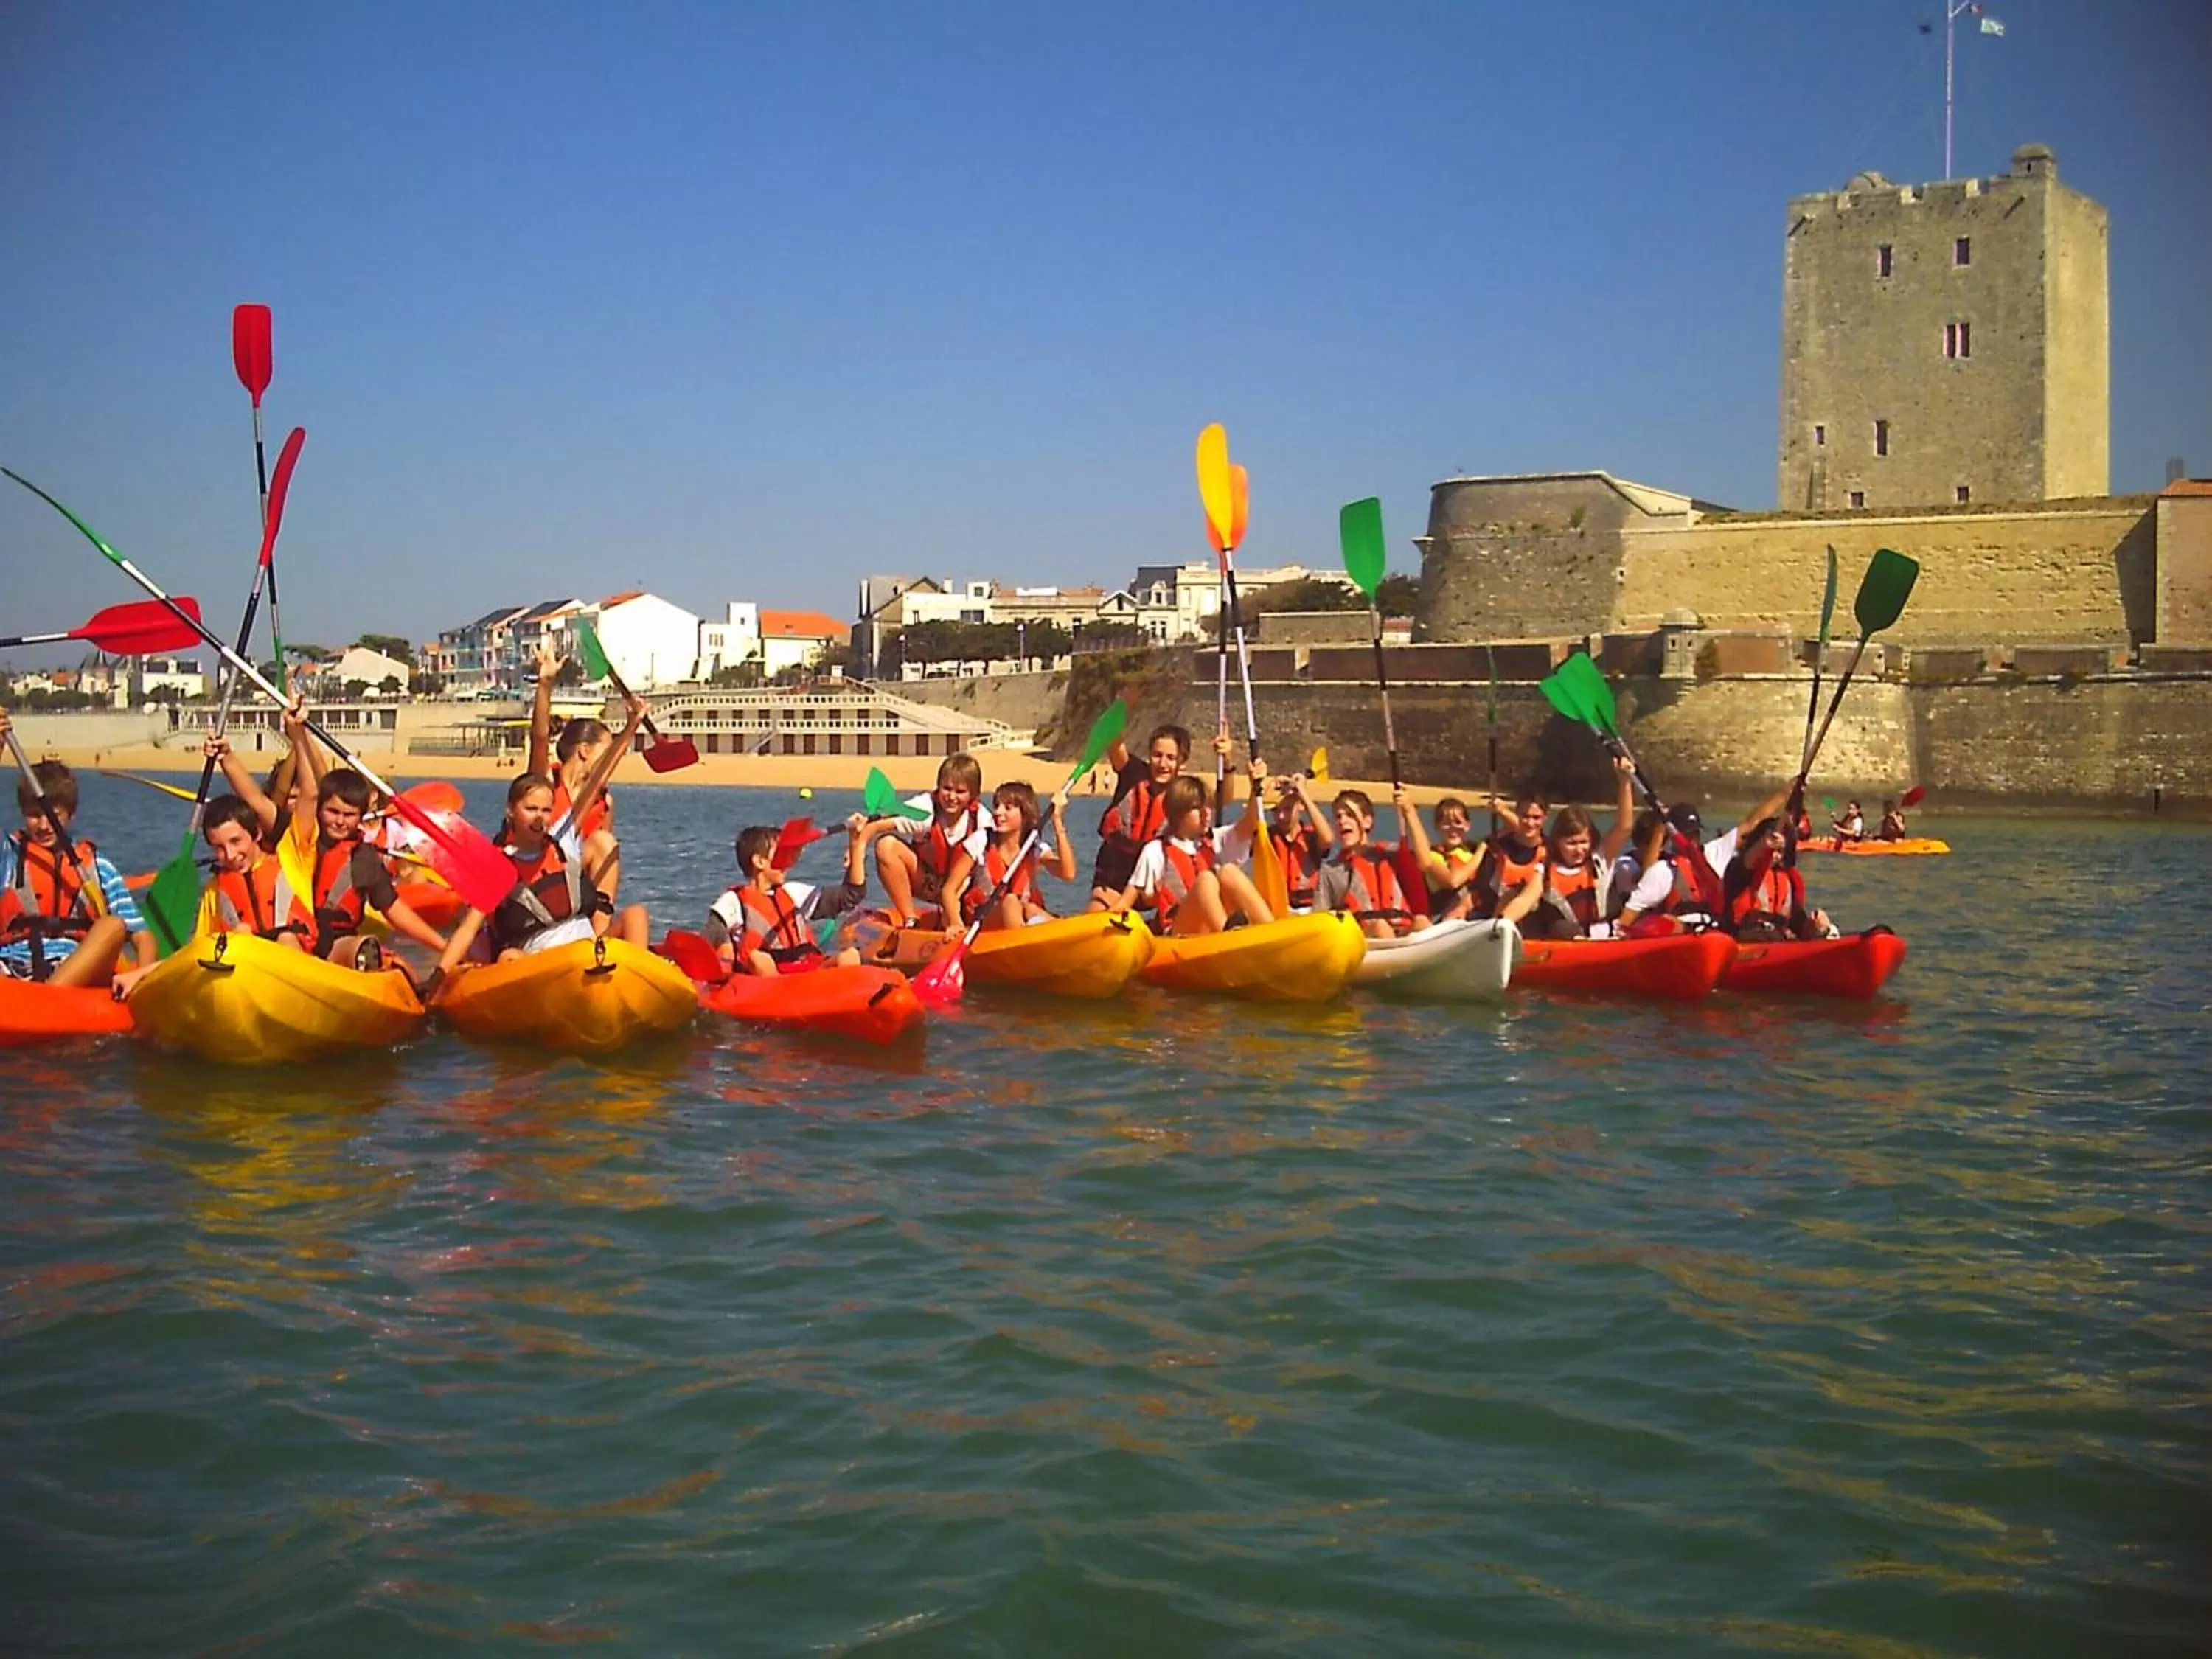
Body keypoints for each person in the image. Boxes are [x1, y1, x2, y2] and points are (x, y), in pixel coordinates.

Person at [429, 701, 649, 980]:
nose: (540, 818)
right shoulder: (501, 864)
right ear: (512, 811)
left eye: (546, 810)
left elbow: (600, 776)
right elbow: (467, 929)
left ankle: (640, 982)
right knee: (509, 957)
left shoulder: (563, 837)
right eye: (531, 810)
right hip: (543, 964)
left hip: (587, 946)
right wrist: (439, 974)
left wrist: (632, 725)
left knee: (636, 914)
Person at [0, 719, 156, 990]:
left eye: (53, 816)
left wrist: (140, 981)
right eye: (34, 816)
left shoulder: (98, 866)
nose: (44, 825)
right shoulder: (9, 854)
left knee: (112, 925)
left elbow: (142, 936)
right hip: (10, 969)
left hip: (73, 975)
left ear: (70, 815)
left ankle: (47, 1002)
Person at [286, 728, 449, 967]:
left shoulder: (364, 858)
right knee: (286, 939)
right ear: (319, 810)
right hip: (297, 938)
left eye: (350, 815)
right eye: (332, 812)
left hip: (338, 944)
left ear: (361, 816)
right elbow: (306, 790)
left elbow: (394, 911)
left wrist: (445, 948)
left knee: (376, 952)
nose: (340, 821)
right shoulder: (302, 839)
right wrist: (298, 735)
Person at [1110, 763, 1273, 936]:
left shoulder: (1215, 840)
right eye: (1198, 808)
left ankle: (1272, 931)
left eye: (1208, 806)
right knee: (1206, 879)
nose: (1207, 813)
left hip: (1209, 930)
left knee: (1229, 871)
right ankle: (1227, 937)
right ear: (1179, 813)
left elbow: (1250, 824)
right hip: (1180, 933)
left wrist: (1255, 788)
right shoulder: (1156, 851)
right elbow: (1126, 901)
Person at [1615, 783, 1792, 936]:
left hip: (1715, 930)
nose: (1691, 839)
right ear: (1673, 836)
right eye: (1687, 834)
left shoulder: (1715, 852)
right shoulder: (1664, 871)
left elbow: (1751, 824)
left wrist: (1785, 792)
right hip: (1681, 933)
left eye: (1695, 833)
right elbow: (1630, 913)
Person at [706, 813, 872, 973]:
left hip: (806, 969)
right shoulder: (733, 902)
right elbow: (709, 938)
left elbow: (852, 895)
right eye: (781, 853)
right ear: (759, 861)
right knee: (759, 959)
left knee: (849, 957)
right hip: (769, 980)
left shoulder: (792, 893)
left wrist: (856, 843)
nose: (788, 860)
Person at [526, 638, 625, 899]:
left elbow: (603, 861)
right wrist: (545, 685)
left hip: (575, 889)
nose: (613, 759)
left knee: (606, 844)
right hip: (539, 879)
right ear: (584, 750)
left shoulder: (605, 800)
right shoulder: (546, 782)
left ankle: (597, 932)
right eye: (606, 750)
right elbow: (539, 738)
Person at [941, 780, 1078, 931]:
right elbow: (949, 890)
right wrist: (956, 924)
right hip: (983, 922)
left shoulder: (1033, 846)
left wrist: (1057, 820)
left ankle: (1059, 936)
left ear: (1025, 815)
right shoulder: (981, 841)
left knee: (1031, 909)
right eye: (997, 806)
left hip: (1020, 918)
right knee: (1011, 902)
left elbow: (1068, 873)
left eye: (1008, 808)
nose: (998, 812)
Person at [868, 751, 985, 928]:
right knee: (886, 845)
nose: (951, 797)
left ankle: (961, 919)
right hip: (927, 882)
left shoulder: (982, 820)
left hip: (962, 890)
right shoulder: (925, 810)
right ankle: (910, 919)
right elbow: (876, 825)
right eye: (946, 789)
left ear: (973, 795)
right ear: (938, 788)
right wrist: (856, 848)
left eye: (960, 792)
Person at [1523, 758, 1636, 941]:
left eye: (1583, 842)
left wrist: (1625, 782)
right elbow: (1524, 901)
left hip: (1608, 937)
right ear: (1558, 842)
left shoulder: (1600, 859)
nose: (1579, 850)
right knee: (1560, 927)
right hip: (1572, 942)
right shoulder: (1545, 872)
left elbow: (1624, 827)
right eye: (1571, 843)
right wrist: (1502, 922)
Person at [1088, 723, 1191, 908]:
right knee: (1097, 909)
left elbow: (1222, 799)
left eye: (1171, 758)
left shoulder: (1184, 794)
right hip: (1113, 879)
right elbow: (1115, 745)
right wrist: (1124, 705)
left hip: (1151, 887)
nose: (1162, 764)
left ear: (1182, 763)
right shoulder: (1133, 774)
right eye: (1157, 755)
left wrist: (1228, 764)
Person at [1313, 785, 1429, 939]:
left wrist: (1409, 811)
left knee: (1422, 922)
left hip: (1401, 932)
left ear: (1367, 822)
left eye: (1350, 815)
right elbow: (1320, 917)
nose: (1342, 821)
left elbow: (1426, 861)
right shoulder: (1330, 870)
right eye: (1338, 817)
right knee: (1380, 926)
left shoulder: (1392, 854)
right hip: (1363, 938)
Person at [1722, 816, 1837, 941]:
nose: (1773, 856)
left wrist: (1816, 926)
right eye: (1770, 850)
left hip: (1779, 944)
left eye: (1779, 851)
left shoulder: (1788, 879)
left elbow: (1797, 923)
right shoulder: (1739, 870)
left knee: (1827, 929)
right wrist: (1763, 845)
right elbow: (1745, 864)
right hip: (1743, 942)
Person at [1470, 790, 1548, 927]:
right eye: (1525, 816)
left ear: (1545, 819)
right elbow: (1481, 892)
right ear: (1517, 815)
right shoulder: (1497, 849)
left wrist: (1503, 811)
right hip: (1497, 917)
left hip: (1537, 922)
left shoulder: (1551, 850)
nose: (1530, 823)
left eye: (1536, 818)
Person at [1267, 770, 1333, 911]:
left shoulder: (1311, 836)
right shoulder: (1267, 836)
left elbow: (1328, 839)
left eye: (1287, 809)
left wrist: (1302, 793)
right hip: (1278, 909)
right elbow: (1245, 830)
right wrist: (1267, 788)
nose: (1281, 817)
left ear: (1300, 807)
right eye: (1276, 811)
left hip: (1310, 909)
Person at [1417, 796, 1485, 922]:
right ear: (1437, 826)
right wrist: (1480, 854)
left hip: (1474, 914)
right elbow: (1453, 881)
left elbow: (1519, 831)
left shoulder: (1472, 849)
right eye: (1446, 824)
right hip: (1443, 916)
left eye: (1458, 822)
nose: (1453, 828)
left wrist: (1503, 812)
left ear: (1467, 825)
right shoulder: (1433, 855)